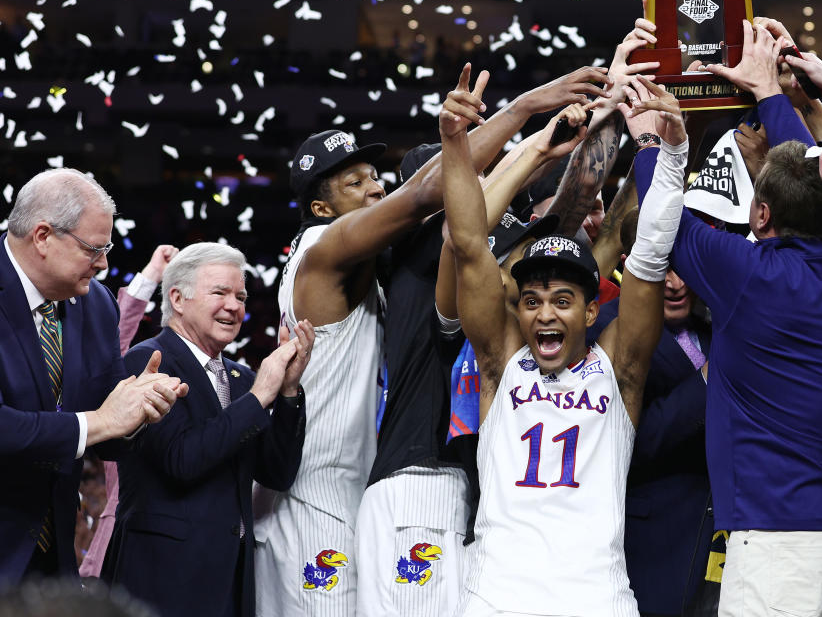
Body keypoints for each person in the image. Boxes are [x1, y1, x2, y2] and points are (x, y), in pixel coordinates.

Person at [256, 62, 607, 617]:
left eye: (375, 176)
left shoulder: (381, 279)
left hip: (361, 487)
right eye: (355, 184)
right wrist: (523, 114)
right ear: (321, 209)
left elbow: (548, 228)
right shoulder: (321, 251)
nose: (375, 188)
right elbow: (428, 197)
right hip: (316, 495)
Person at [642, 22, 822, 617]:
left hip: (776, 546)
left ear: (761, 213)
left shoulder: (746, 275)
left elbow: (664, 217)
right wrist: (769, 92)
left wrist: (650, 141)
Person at [443, 68, 684, 617]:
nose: (545, 314)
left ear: (592, 309)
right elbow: (467, 244)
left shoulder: (618, 369)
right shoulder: (501, 364)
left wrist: (669, 154)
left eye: (561, 300)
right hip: (496, 598)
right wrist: (455, 142)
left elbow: (647, 257)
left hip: (595, 599)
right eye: (531, 301)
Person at [105, 242, 313, 617]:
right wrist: (260, 394)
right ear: (178, 299)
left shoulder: (242, 378)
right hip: (161, 579)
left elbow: (277, 473)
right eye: (220, 292)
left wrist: (287, 392)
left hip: (231, 579)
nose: (234, 305)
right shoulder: (149, 360)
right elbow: (182, 461)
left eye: (241, 295)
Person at [0, 169, 186, 584]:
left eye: (107, 248)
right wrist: (101, 421)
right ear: (43, 237)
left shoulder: (96, 304)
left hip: (54, 558)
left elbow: (109, 427)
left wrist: (141, 410)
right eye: (93, 249)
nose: (103, 264)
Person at [585, 265, 715, 617]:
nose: (675, 284)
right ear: (634, 265)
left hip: (716, 536)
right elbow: (621, 441)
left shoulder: (714, 325)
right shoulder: (607, 329)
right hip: (651, 539)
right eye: (664, 270)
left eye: (685, 268)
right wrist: (707, 380)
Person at [80, 243, 179, 578]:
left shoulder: (225, 390)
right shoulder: (120, 407)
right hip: (117, 557)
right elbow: (112, 342)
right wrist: (151, 276)